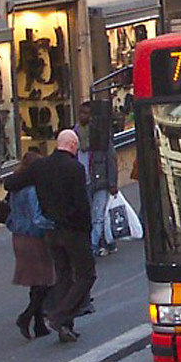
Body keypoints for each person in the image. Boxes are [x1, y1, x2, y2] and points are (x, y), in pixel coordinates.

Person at [4, 129, 94, 343]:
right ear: (72, 145)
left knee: (63, 275)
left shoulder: (40, 166)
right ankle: (60, 317)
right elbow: (81, 204)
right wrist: (87, 230)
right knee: (86, 275)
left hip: (52, 230)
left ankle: (65, 326)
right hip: (73, 230)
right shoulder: (75, 168)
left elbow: (10, 184)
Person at [5, 149, 55, 340]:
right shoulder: (32, 190)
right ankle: (26, 317)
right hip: (34, 238)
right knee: (46, 281)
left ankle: (39, 324)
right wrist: (54, 224)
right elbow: (37, 218)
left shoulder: (15, 187)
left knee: (36, 282)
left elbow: (10, 212)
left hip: (19, 237)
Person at [75, 101, 118, 256]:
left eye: (85, 113)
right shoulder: (74, 135)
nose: (82, 116)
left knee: (98, 215)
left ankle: (92, 246)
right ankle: (107, 242)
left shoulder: (100, 136)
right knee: (91, 215)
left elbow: (111, 160)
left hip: (100, 181)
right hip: (83, 182)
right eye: (80, 113)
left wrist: (112, 183)